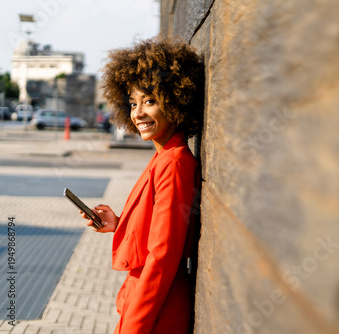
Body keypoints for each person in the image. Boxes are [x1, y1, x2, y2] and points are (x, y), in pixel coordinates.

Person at [81, 36, 204, 334]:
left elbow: (162, 257)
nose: (138, 113)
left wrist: (135, 326)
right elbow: (161, 233)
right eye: (133, 103)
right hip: (149, 298)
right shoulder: (163, 155)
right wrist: (119, 224)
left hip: (157, 308)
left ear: (175, 99)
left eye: (150, 101)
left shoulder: (174, 162)